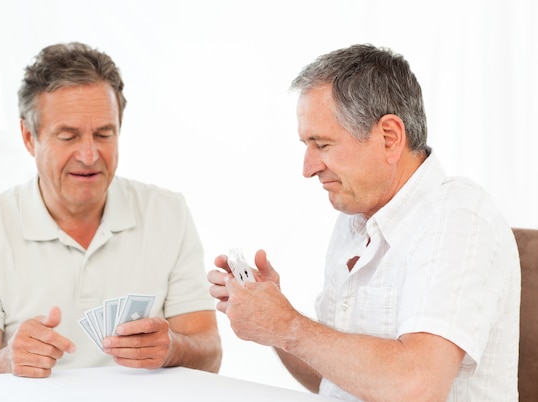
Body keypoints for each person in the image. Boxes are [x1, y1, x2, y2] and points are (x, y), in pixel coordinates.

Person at [208, 44, 520, 401]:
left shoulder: (459, 220)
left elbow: (417, 387)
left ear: (389, 137)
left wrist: (287, 325)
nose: (307, 168)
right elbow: (336, 378)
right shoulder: (356, 219)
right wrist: (274, 318)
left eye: (322, 145)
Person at [0, 42, 222, 378]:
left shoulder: (168, 212)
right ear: (28, 137)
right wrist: (7, 360)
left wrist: (173, 348)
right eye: (68, 136)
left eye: (104, 134)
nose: (89, 155)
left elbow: (210, 356)